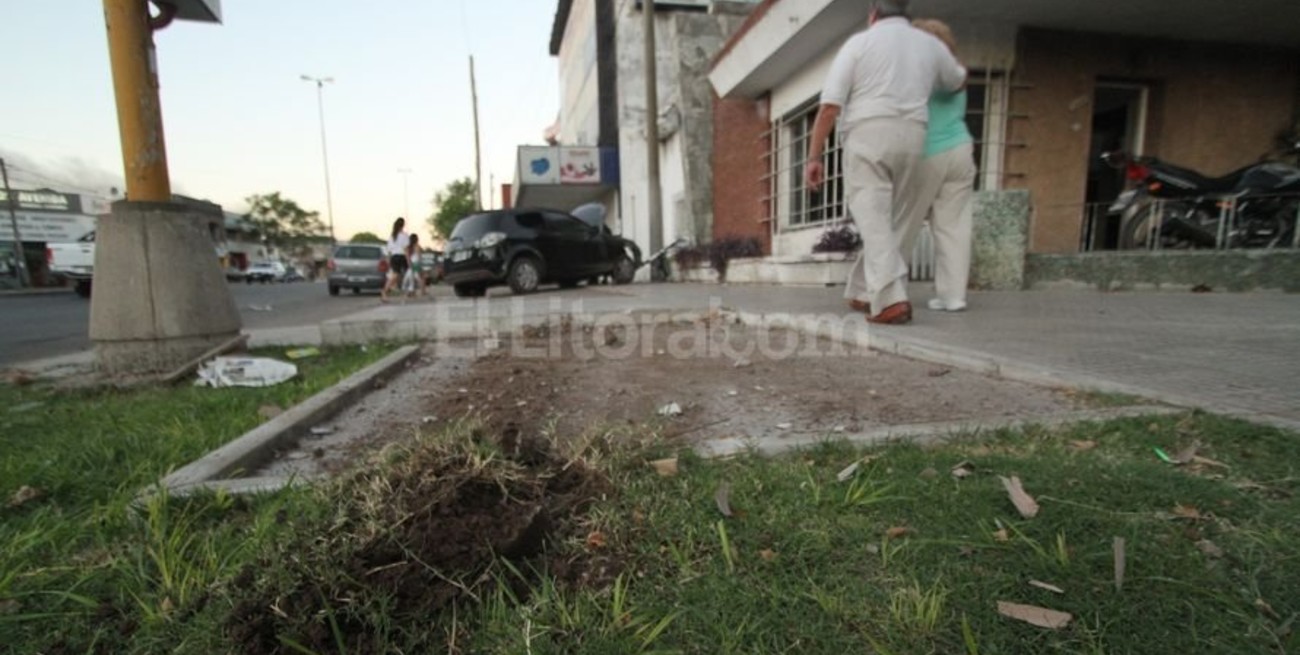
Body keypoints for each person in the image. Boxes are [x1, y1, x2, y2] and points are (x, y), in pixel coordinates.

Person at [806, 0, 965, 324]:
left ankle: (891, 300)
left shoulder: (860, 43)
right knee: (890, 221)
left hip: (868, 133)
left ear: (873, 14)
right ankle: (864, 290)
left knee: (873, 216)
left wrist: (813, 156)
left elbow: (830, 106)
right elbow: (957, 80)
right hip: (914, 135)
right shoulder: (930, 45)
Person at [904, 18, 976, 312]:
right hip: (961, 148)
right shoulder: (956, 72)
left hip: (928, 151)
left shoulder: (920, 71)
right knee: (954, 226)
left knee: (904, 223)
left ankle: (887, 292)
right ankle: (953, 296)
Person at [381, 217, 410, 303]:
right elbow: (406, 249)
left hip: (394, 257)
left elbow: (389, 249)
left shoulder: (392, 236)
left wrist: (389, 259)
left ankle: (392, 288)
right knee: (401, 275)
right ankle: (386, 290)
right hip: (401, 256)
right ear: (403, 225)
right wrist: (408, 260)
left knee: (397, 275)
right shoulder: (404, 236)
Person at [405, 233, 428, 298]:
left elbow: (407, 257)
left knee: (412, 278)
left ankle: (411, 292)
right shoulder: (417, 246)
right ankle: (423, 291)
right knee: (421, 277)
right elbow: (419, 256)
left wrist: (409, 264)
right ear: (416, 239)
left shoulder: (407, 247)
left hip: (411, 263)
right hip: (417, 263)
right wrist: (421, 264)